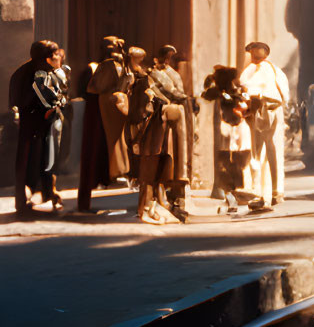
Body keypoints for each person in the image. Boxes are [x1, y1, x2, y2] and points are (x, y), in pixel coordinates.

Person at [128, 47, 189, 224]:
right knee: (147, 173)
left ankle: (156, 204)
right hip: (147, 133)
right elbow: (142, 110)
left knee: (157, 170)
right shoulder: (143, 84)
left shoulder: (149, 83)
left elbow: (165, 97)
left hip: (156, 131)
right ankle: (146, 209)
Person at [11, 39, 67, 217]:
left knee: (46, 161)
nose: (56, 57)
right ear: (45, 57)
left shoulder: (47, 72)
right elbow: (20, 102)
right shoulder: (25, 74)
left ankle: (49, 193)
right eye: (53, 54)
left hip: (44, 126)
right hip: (31, 128)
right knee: (29, 162)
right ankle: (23, 200)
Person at [83, 35, 133, 208]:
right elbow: (92, 89)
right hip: (103, 109)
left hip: (116, 109)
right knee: (105, 143)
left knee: (117, 142)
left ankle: (115, 173)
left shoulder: (120, 65)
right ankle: (107, 174)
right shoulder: (100, 66)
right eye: (114, 46)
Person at [239, 40, 290, 209]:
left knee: (258, 153)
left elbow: (246, 92)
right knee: (274, 151)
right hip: (275, 110)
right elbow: (285, 95)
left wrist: (246, 109)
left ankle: (262, 193)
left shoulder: (252, 70)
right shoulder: (276, 70)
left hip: (260, 111)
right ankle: (276, 191)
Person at [202, 65, 255, 214]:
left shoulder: (229, 93)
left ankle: (233, 194)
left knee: (233, 162)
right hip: (228, 132)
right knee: (228, 163)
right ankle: (230, 194)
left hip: (234, 132)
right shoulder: (221, 93)